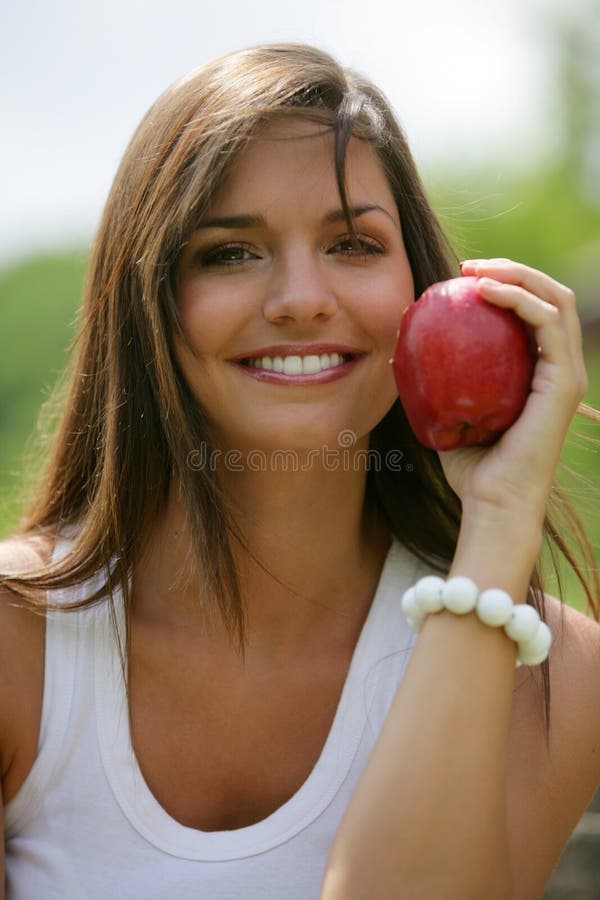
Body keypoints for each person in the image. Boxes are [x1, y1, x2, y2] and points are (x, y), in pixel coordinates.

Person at [1, 42, 599, 900]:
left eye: (353, 244)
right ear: (148, 307)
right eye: (230, 253)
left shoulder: (558, 680)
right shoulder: (15, 644)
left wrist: (499, 517)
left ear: (420, 289)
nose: (300, 298)